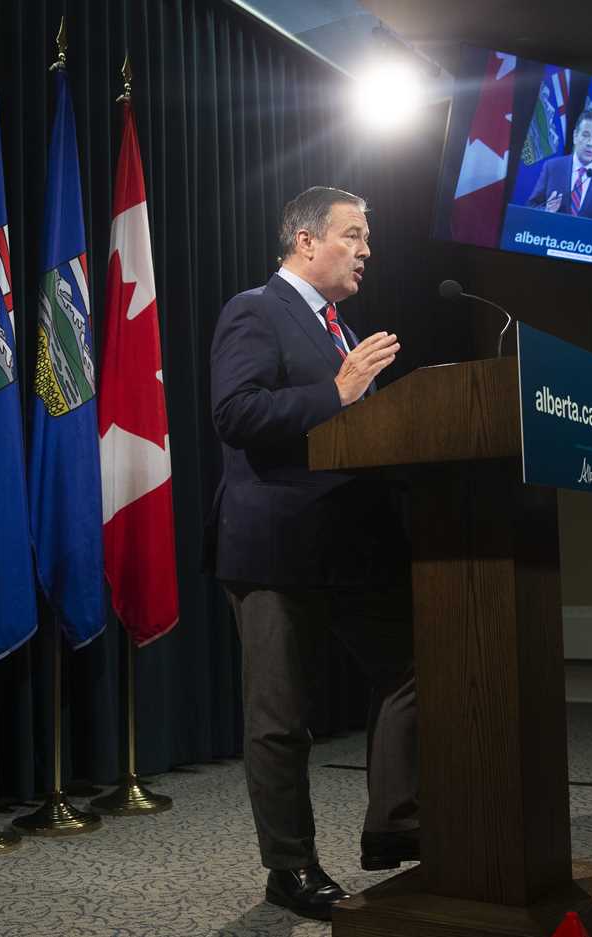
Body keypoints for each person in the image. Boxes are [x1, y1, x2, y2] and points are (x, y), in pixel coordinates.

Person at [205, 186, 419, 922]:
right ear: (305, 241)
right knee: (280, 717)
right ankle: (289, 867)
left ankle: (396, 824)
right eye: (353, 235)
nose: (366, 250)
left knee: (412, 668)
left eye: (368, 238)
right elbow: (235, 412)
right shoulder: (255, 309)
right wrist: (338, 389)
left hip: (349, 545)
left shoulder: (339, 329)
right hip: (274, 547)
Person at [527, 109, 592, 222]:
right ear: (575, 136)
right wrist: (546, 210)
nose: (590, 143)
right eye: (585, 135)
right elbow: (531, 208)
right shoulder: (552, 168)